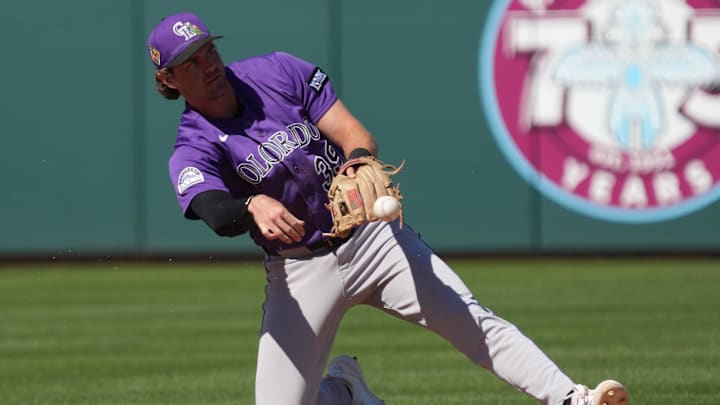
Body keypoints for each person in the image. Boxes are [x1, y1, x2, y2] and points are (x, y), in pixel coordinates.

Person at [146, 11, 630, 405]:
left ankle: (572, 397)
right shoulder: (193, 146)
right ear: (168, 77)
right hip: (298, 272)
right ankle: (344, 392)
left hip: (371, 240)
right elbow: (213, 210)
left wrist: (357, 162)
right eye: (191, 61)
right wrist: (251, 204)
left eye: (208, 49)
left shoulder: (276, 71)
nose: (208, 63)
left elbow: (356, 135)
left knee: (469, 319)